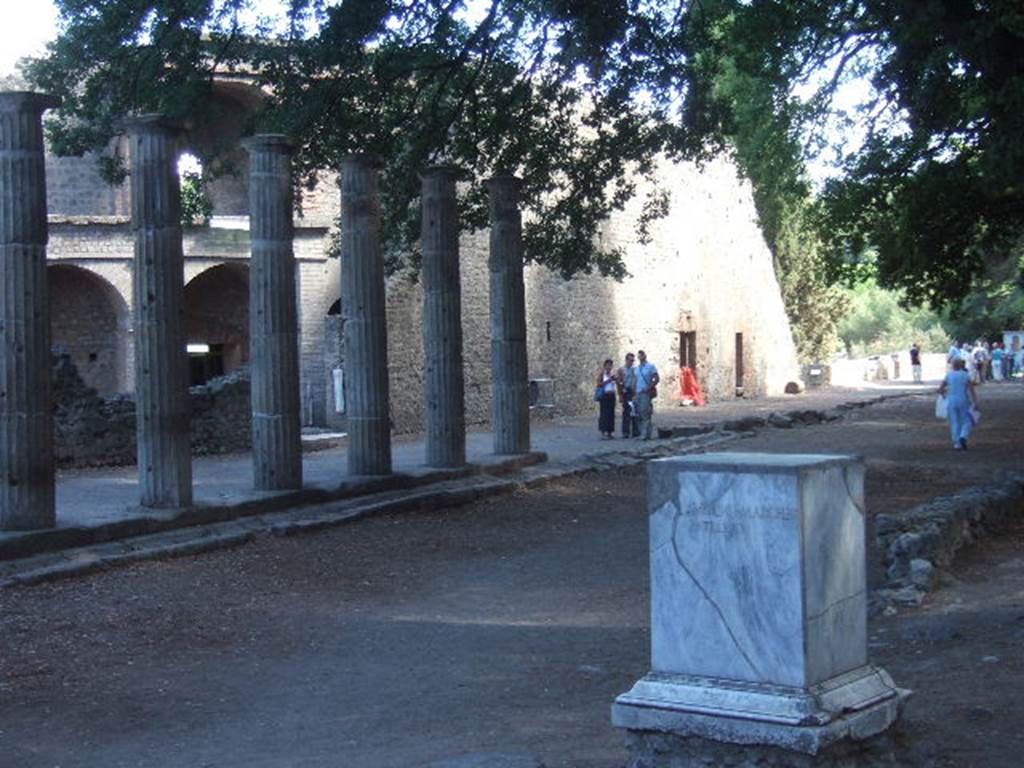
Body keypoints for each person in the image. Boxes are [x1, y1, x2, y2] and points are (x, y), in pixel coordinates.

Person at [938, 358, 978, 450]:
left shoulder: (949, 375)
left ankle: (957, 443)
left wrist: (943, 394)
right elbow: (971, 390)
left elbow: (941, 389)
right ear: (961, 365)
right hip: (963, 399)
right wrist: (975, 401)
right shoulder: (965, 375)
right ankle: (963, 436)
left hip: (951, 400)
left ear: (952, 365)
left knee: (954, 421)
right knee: (966, 420)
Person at [634, 349, 660, 440]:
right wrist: (634, 393)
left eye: (642, 355)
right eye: (639, 355)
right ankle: (645, 433)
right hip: (638, 392)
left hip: (645, 393)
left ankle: (645, 434)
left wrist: (649, 387)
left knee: (645, 412)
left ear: (645, 356)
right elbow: (636, 381)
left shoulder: (650, 366)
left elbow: (656, 378)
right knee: (639, 413)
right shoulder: (637, 369)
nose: (640, 357)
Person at [616, 352, 639, 438]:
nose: (631, 362)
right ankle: (625, 432)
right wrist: (620, 395)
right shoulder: (621, 370)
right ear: (626, 360)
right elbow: (618, 383)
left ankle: (635, 431)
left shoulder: (635, 369)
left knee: (634, 411)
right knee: (626, 412)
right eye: (630, 360)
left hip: (634, 392)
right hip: (626, 392)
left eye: (633, 360)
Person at [595, 358, 618, 439]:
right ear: (604, 366)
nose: (609, 367)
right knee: (604, 414)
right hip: (604, 396)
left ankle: (610, 432)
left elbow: (617, 383)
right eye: (608, 365)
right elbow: (598, 384)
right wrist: (608, 380)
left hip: (612, 395)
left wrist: (616, 379)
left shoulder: (613, 373)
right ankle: (603, 432)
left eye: (610, 365)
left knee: (611, 414)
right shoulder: (602, 374)